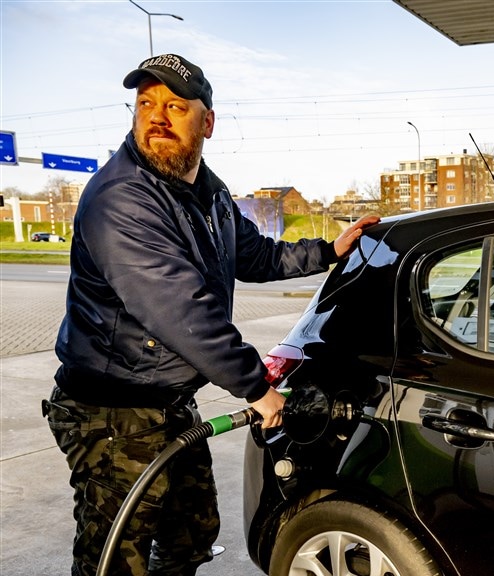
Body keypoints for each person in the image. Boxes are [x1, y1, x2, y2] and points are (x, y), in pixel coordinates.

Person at [42, 53, 380, 576]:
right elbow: (179, 309)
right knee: (115, 556)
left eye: (175, 106)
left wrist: (326, 251)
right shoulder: (120, 198)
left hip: (167, 400)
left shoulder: (211, 193)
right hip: (110, 409)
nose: (156, 116)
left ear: (207, 122)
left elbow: (255, 255)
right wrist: (256, 387)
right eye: (146, 104)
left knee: (192, 534)